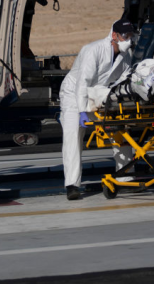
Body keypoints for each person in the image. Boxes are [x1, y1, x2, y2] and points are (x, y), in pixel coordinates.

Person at [59, 19, 137, 200]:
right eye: (125, 36)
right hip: (74, 94)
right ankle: (72, 185)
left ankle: (125, 178)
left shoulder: (126, 55)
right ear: (114, 35)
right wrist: (82, 112)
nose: (128, 39)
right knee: (72, 137)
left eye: (131, 36)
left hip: (101, 94)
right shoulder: (93, 49)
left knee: (120, 131)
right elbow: (82, 82)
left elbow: (122, 79)